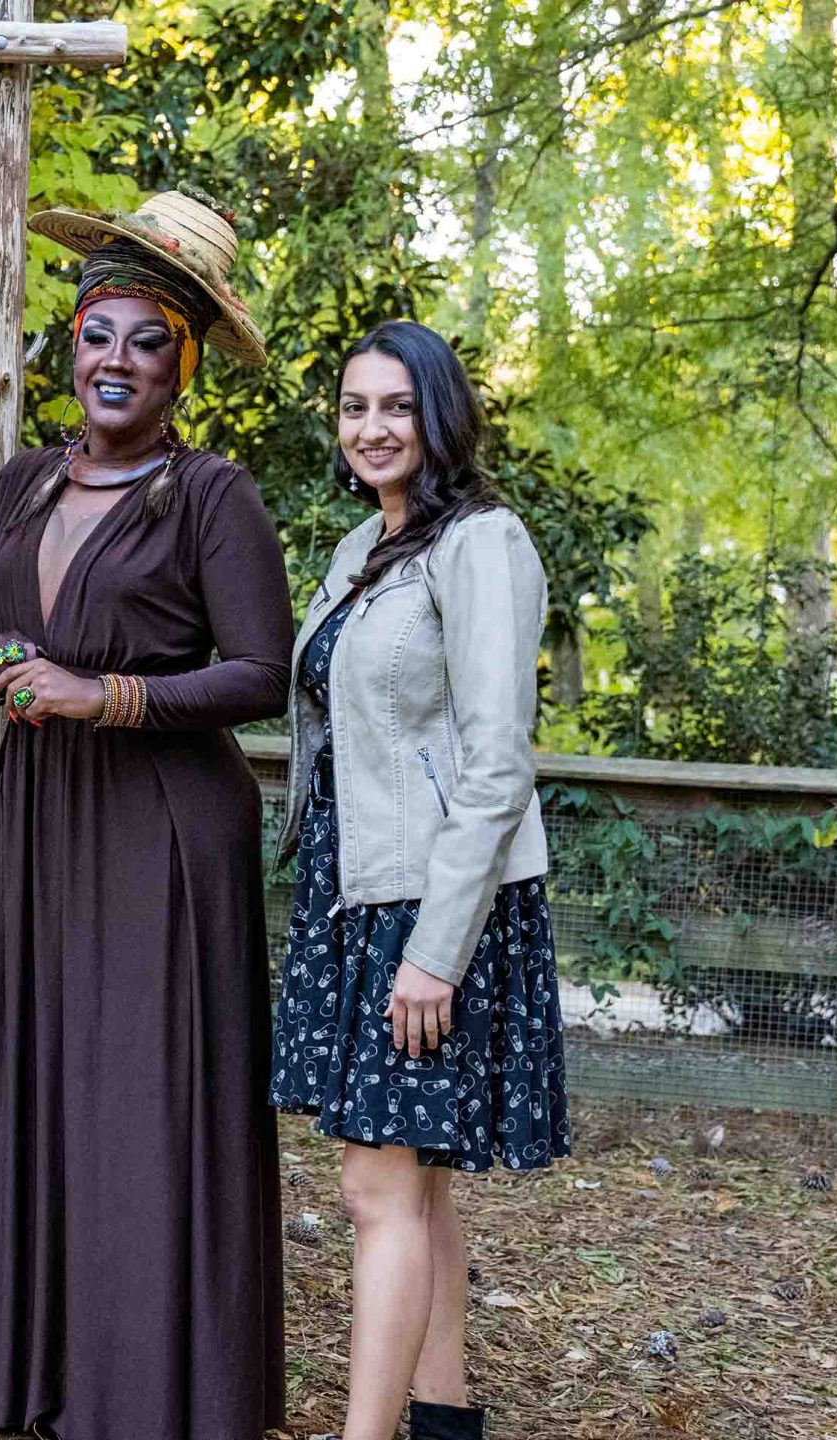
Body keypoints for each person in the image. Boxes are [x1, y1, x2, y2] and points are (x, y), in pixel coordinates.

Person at [0, 191, 292, 1438]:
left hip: (163, 833)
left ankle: (135, 1382)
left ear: (181, 365)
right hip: (32, 815)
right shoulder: (26, 482)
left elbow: (256, 674)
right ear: (67, 345)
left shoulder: (213, 497)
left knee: (133, 1095)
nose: (114, 361)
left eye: (146, 341)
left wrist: (104, 692)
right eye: (97, 335)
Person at [269, 321, 570, 1440]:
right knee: (415, 1185)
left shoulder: (483, 543)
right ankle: (443, 1424)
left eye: (395, 406)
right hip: (357, 892)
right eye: (354, 407)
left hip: (435, 904)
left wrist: (435, 948)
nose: (371, 428)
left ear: (439, 415)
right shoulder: (362, 550)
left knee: (372, 1191)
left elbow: (496, 764)